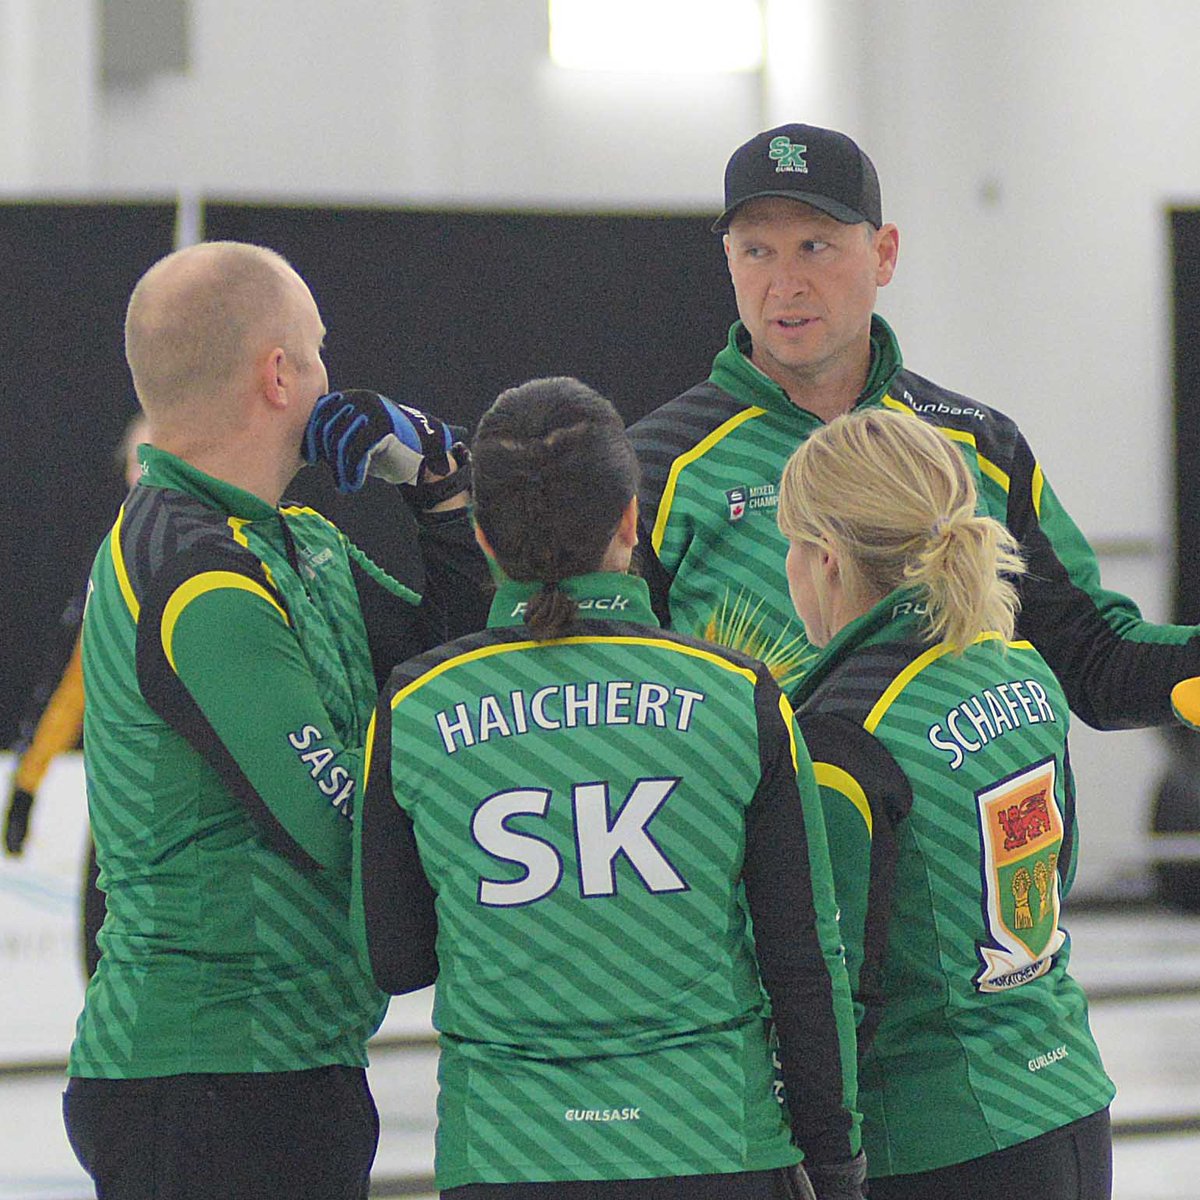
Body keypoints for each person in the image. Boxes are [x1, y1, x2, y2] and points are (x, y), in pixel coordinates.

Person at [355, 376, 867, 1200]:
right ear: (632, 522)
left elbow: (396, 957)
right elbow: (805, 961)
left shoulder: (414, 705)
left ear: (484, 538)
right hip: (712, 1147)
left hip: (508, 1158)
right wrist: (835, 1163)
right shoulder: (738, 692)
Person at [62, 240, 487, 1200]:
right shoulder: (200, 578)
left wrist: (439, 490)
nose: (334, 376)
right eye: (321, 350)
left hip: (282, 1071)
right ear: (280, 373)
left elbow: (456, 669)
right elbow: (339, 828)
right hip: (212, 1085)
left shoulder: (293, 542)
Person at [629, 121, 1200, 721]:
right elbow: (616, 691)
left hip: (957, 811)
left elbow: (1092, 658)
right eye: (757, 251)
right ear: (729, 261)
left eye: (814, 247)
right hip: (760, 815)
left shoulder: (978, 445)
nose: (785, 284)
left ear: (883, 254)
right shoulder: (656, 463)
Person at [777, 407, 1114, 1199]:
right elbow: (1060, 869)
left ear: (827, 558)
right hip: (1068, 1098)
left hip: (934, 1138)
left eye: (790, 545)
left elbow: (827, 978)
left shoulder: (840, 730)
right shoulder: (1021, 668)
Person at [3, 413, 149, 978]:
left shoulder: (236, 546)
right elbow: (73, 687)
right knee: (101, 949)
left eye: (158, 456)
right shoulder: (116, 565)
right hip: (125, 795)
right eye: (138, 460)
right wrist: (26, 787)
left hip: (212, 802)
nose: (145, 472)